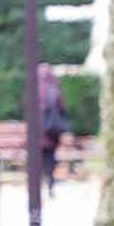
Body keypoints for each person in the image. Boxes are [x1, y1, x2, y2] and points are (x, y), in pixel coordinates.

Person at [39, 62, 70, 197]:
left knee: (39, 159)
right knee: (50, 158)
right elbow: (62, 108)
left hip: (38, 134)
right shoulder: (54, 88)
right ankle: (50, 185)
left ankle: (38, 187)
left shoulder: (34, 89)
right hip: (52, 133)